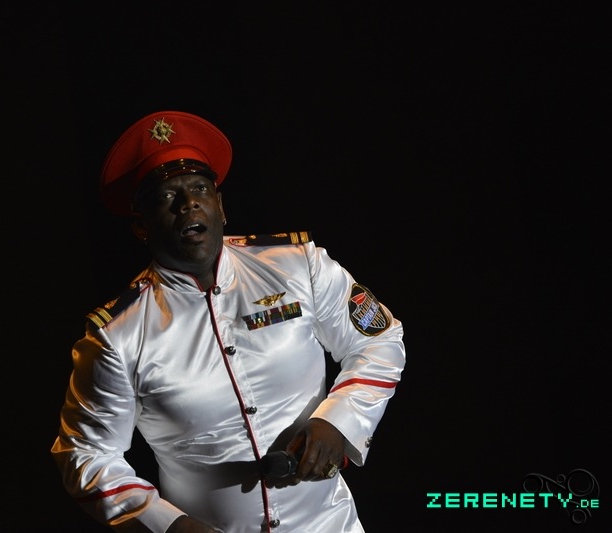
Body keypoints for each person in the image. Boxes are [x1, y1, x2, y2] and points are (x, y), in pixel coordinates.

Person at [51, 110, 406, 533]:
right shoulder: (116, 336)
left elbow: (378, 339)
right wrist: (169, 525)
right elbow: (86, 454)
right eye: (166, 197)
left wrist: (339, 421)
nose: (188, 204)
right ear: (141, 226)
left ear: (220, 206)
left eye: (200, 188)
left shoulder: (300, 267)